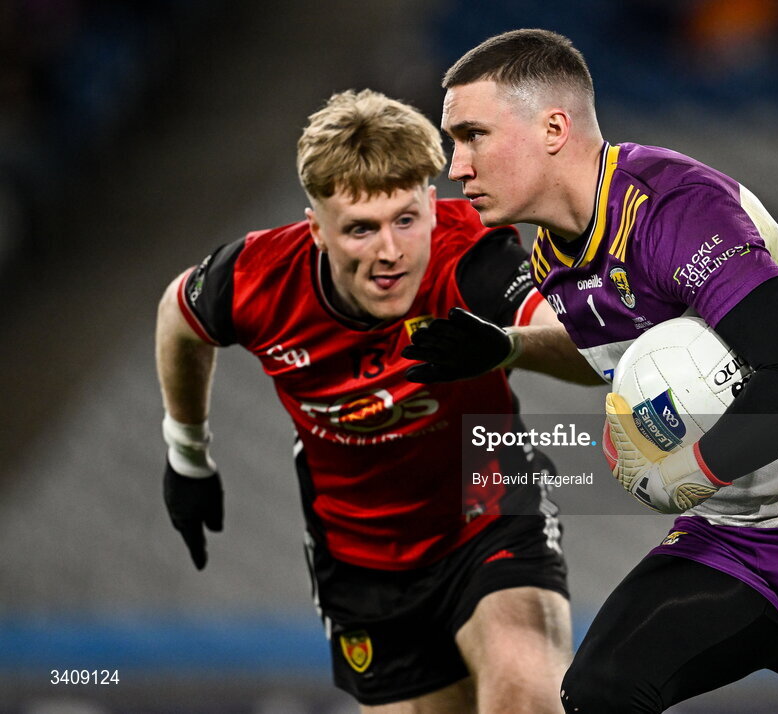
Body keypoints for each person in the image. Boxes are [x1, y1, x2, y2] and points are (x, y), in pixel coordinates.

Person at [402, 29, 778, 713]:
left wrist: (683, 474)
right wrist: (510, 349)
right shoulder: (554, 253)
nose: (456, 166)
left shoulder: (676, 209)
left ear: (553, 127)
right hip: (740, 538)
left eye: (472, 135)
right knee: (601, 691)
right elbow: (617, 358)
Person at [155, 88, 601, 713]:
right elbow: (178, 317)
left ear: (430, 202)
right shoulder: (254, 279)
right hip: (361, 567)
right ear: (316, 229)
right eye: (361, 229)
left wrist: (506, 345)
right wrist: (187, 455)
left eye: (405, 220)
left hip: (491, 517)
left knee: (527, 689)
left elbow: (583, 354)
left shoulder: (470, 255)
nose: (390, 253)